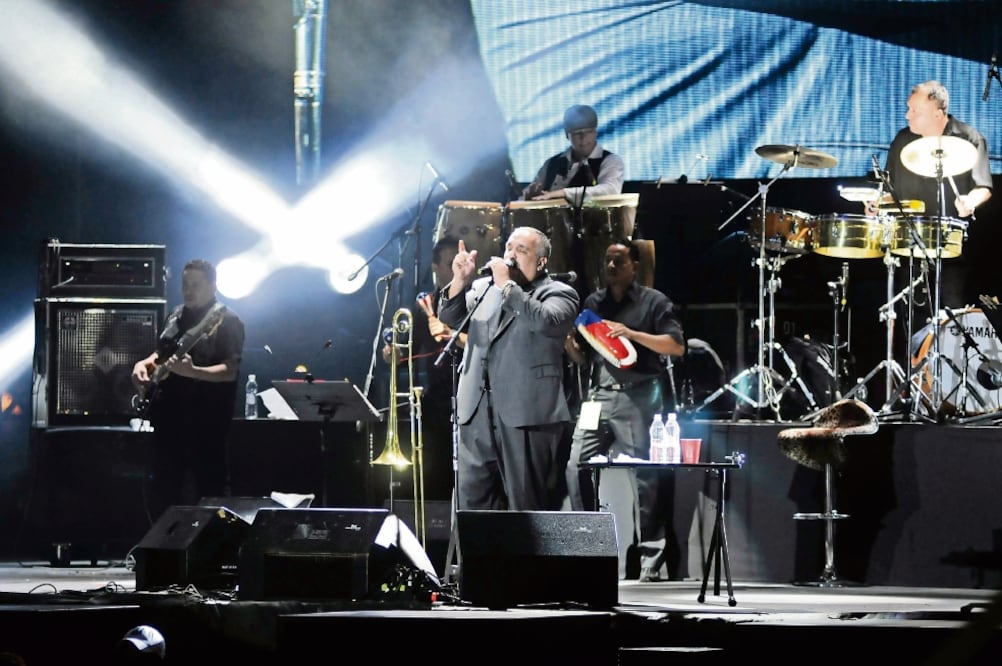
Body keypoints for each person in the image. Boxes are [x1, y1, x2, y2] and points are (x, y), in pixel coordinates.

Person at [564, 239, 685, 581]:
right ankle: (586, 543)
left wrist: (631, 333)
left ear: (635, 265)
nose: (611, 267)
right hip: (598, 395)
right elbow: (582, 357)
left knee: (644, 476)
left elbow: (676, 346)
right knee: (576, 465)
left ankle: (651, 555)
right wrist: (569, 343)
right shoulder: (594, 303)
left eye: (618, 261)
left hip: (639, 395)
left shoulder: (654, 302)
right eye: (607, 260)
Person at [438, 226, 579, 510]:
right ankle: (478, 557)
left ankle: (524, 558)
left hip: (526, 415)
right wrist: (459, 280)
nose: (510, 256)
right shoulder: (483, 288)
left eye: (521, 250)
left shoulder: (560, 294)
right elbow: (450, 316)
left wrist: (508, 287)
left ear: (541, 262)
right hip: (475, 410)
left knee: (525, 509)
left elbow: (546, 322)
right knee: (472, 508)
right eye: (508, 249)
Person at [131, 259, 245, 521]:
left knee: (210, 485)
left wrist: (194, 372)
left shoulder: (227, 320)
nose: (188, 290)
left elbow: (230, 370)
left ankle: (213, 553)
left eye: (196, 285)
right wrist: (143, 364)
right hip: (169, 413)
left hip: (207, 418)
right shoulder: (176, 314)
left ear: (213, 286)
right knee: (164, 484)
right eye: (185, 284)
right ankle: (164, 550)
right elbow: (161, 354)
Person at [865, 80, 992, 307]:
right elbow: (890, 191)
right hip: (909, 244)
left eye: (915, 111)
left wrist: (970, 202)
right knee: (912, 317)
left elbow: (983, 186)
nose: (907, 115)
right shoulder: (903, 140)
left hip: (953, 248)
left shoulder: (969, 138)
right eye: (909, 108)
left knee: (951, 316)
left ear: (937, 114)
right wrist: (877, 203)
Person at [381, 237, 466, 502]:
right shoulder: (425, 304)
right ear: (435, 267)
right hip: (435, 400)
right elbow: (406, 351)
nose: (455, 268)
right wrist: (392, 354)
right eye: (450, 263)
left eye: (459, 262)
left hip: (469, 395)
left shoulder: (475, 298)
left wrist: (450, 333)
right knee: (433, 468)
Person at [522, 104, 625, 203]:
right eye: (577, 133)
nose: (583, 137)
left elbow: (610, 190)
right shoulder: (551, 163)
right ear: (567, 135)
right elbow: (527, 194)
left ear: (595, 132)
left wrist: (562, 193)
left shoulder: (611, 160)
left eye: (588, 132)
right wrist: (528, 197)